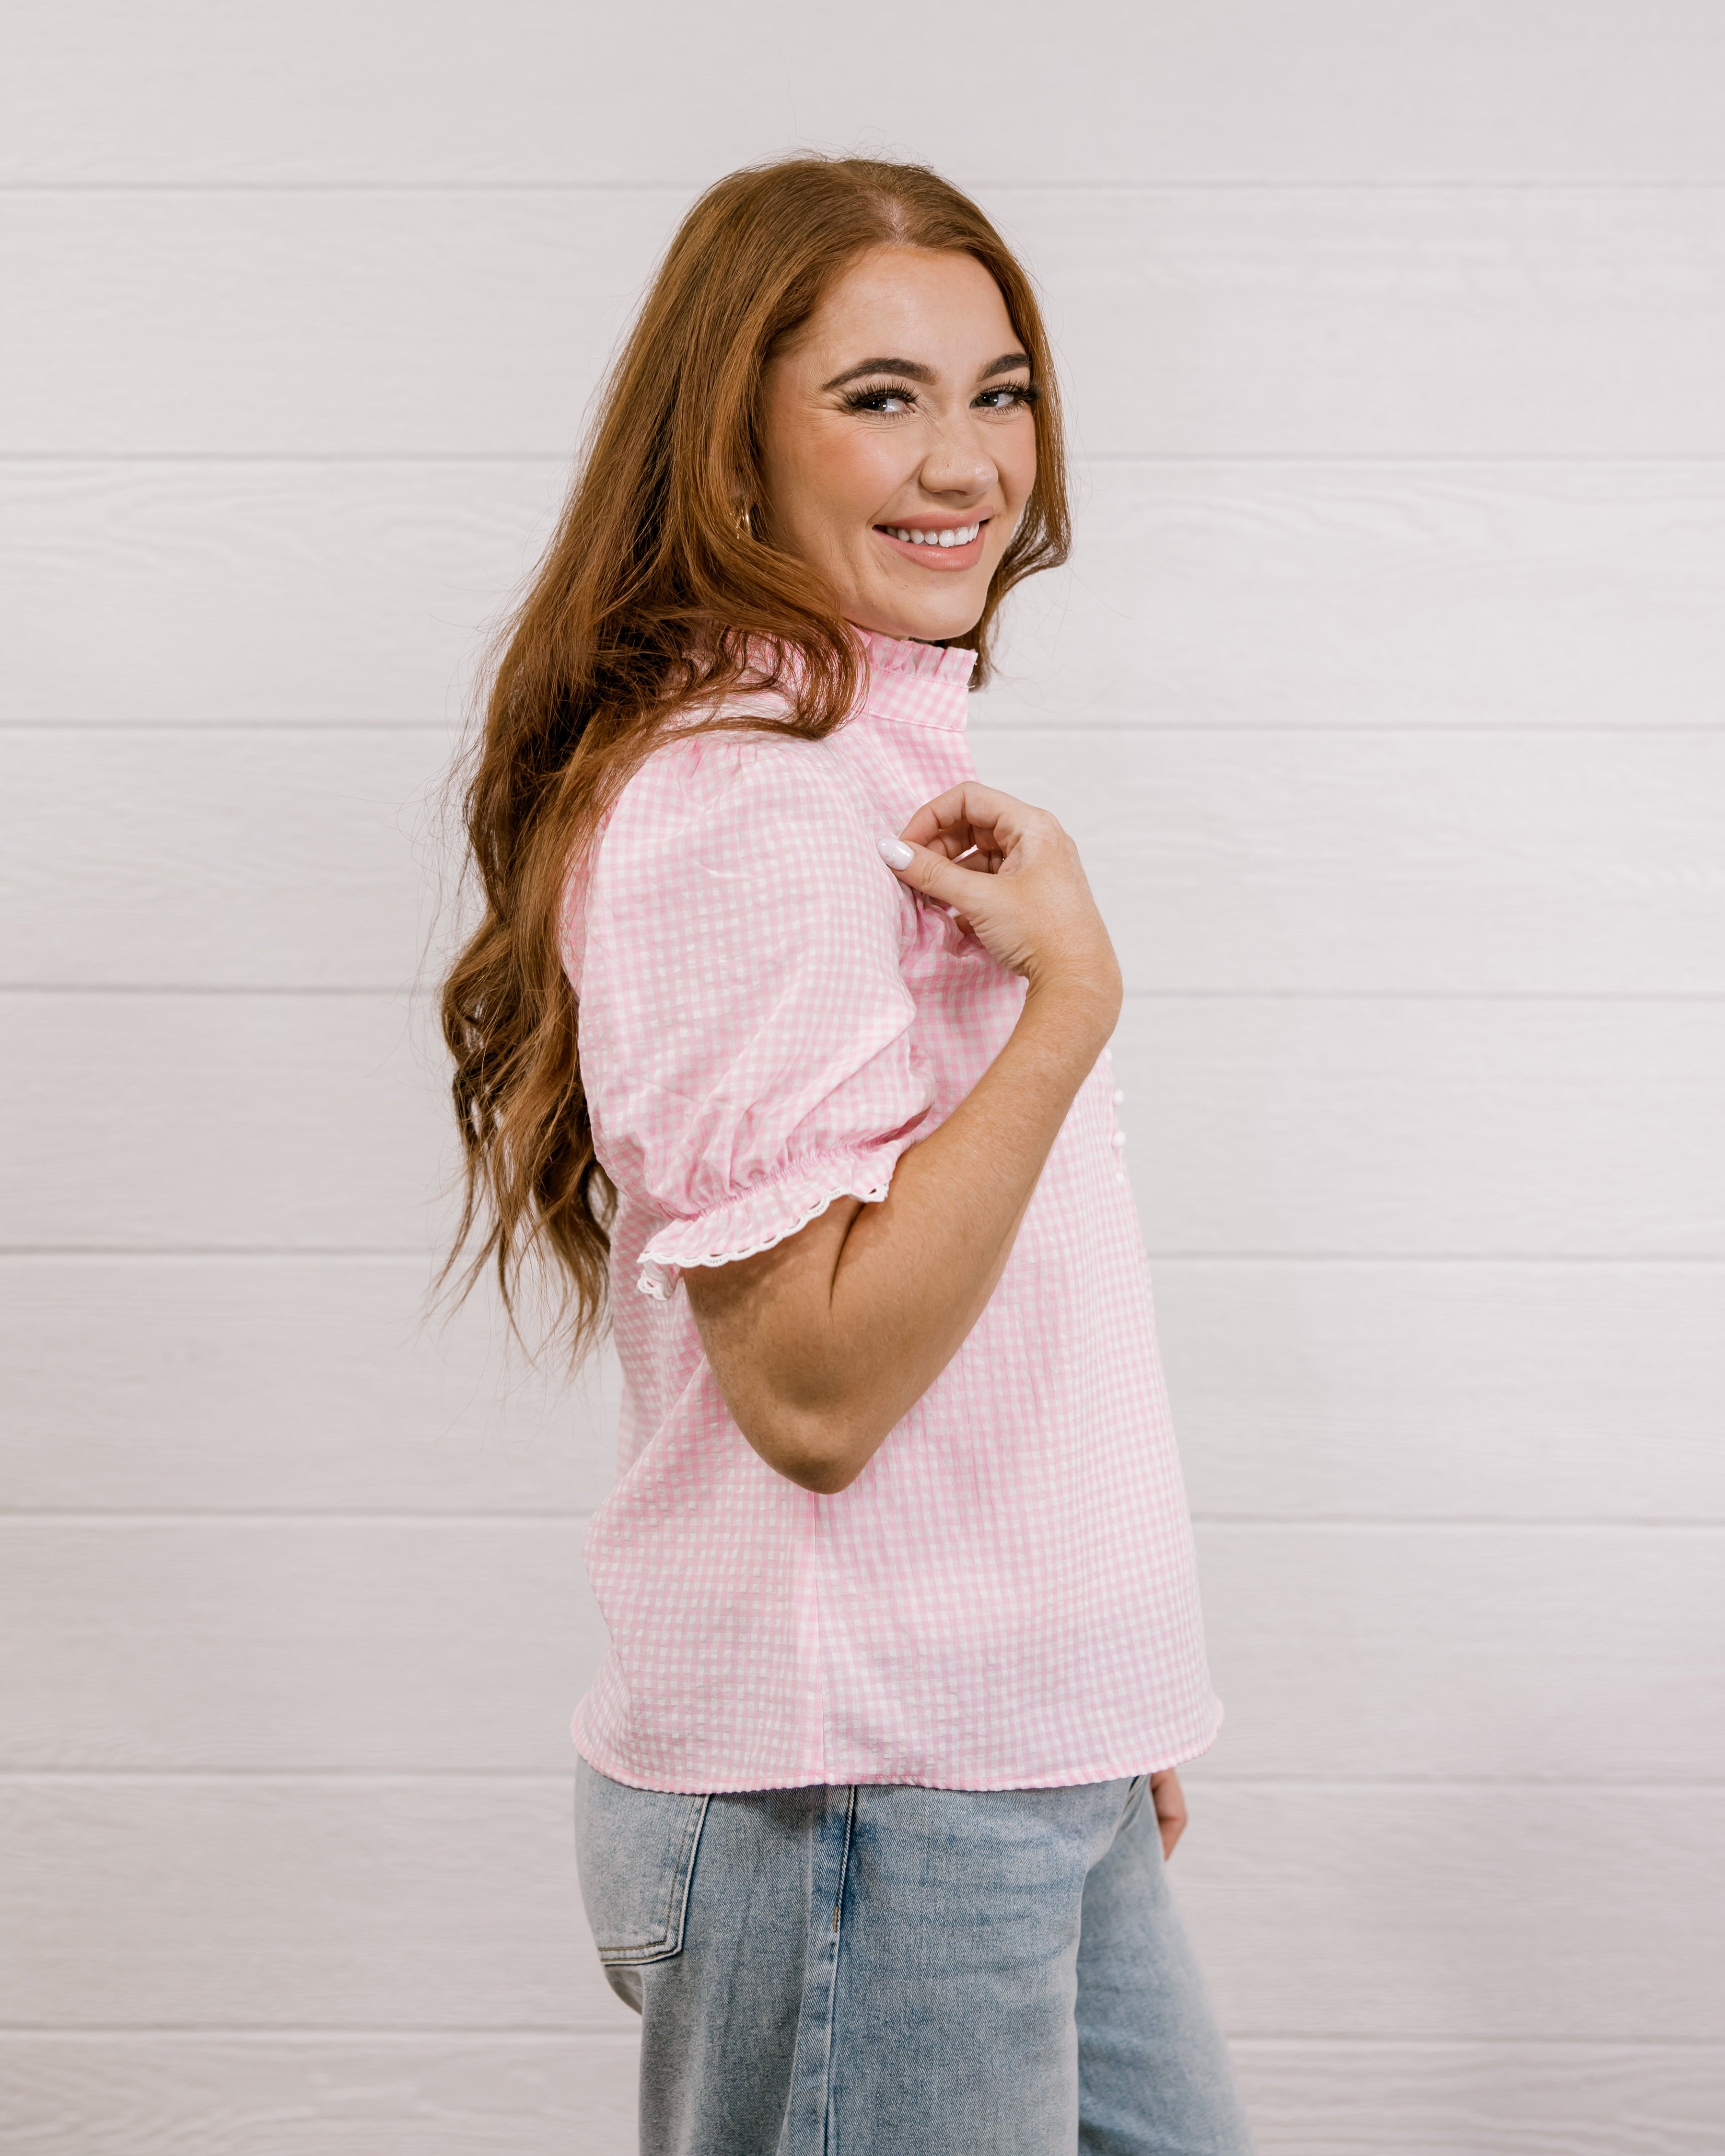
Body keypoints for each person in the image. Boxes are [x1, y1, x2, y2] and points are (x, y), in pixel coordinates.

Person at [443, 154, 1255, 2156]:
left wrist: (1095, 1684)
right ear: (732, 445)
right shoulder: (747, 807)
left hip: (1007, 1755)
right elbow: (809, 1388)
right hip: (865, 1793)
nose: (966, 458)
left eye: (1001, 389)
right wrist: (1067, 1011)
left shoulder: (883, 767)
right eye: (881, 397)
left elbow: (1008, 1313)